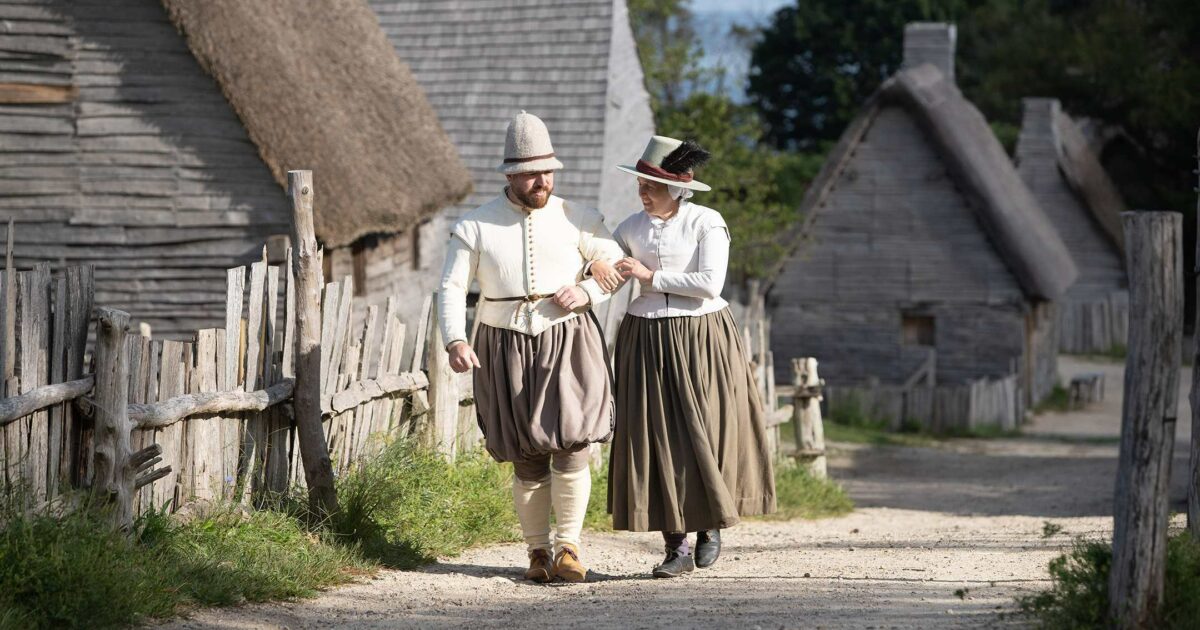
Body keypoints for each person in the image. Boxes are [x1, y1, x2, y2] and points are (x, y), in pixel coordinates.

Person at [437, 111, 625, 584]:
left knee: (573, 445)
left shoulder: (580, 218)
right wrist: (455, 338)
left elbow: (615, 264)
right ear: (510, 175)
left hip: (569, 340)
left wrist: (586, 292)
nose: (542, 180)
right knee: (526, 454)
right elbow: (451, 287)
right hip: (503, 344)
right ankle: (537, 553)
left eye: (548, 171)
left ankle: (570, 549)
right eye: (531, 173)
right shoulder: (475, 225)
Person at [597, 135, 777, 578]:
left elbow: (710, 283)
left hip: (702, 335)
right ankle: (674, 546)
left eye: (652, 186)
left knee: (706, 428)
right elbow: (608, 271)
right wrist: (591, 271)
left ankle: (709, 525)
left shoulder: (706, 222)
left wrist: (650, 274)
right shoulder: (629, 228)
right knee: (655, 435)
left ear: (678, 187)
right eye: (641, 184)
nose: (644, 193)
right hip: (645, 338)